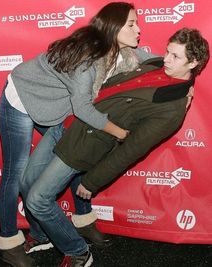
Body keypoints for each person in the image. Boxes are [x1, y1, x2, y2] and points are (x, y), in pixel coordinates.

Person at [20, 27, 209, 267]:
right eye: (167, 51)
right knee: (26, 182)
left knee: (37, 199)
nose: (166, 59)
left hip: (84, 143)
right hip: (66, 122)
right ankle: (42, 235)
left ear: (193, 63)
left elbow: (131, 149)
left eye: (175, 56)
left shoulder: (171, 109)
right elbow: (123, 46)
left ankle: (78, 251)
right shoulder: (153, 63)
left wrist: (92, 181)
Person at [0, 2, 153, 266]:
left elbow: (154, 58)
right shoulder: (88, 58)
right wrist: (120, 133)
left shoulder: (120, 52)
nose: (138, 29)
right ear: (113, 29)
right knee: (17, 174)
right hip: (23, 98)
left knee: (73, 155)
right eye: (131, 24)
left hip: (56, 106)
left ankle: (80, 222)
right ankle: (9, 241)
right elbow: (82, 108)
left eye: (137, 23)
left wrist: (180, 80)